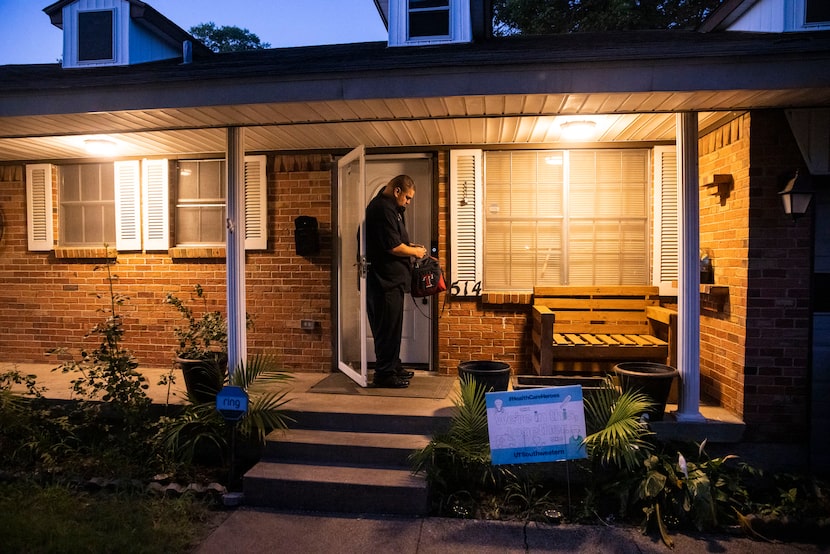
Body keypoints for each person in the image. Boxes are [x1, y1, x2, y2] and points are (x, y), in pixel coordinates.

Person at [365, 174, 427, 388]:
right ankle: (384, 375)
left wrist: (412, 246)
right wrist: (416, 252)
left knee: (393, 328)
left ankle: (393, 365)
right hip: (384, 283)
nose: (408, 203)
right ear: (397, 191)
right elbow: (393, 247)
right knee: (386, 329)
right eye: (407, 198)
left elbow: (397, 240)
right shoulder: (382, 209)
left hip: (392, 282)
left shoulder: (393, 209)